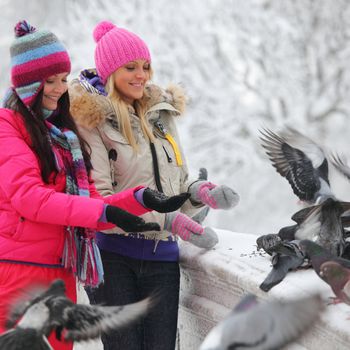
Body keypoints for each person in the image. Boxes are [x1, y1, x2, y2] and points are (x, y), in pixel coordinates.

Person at [0, 20, 191, 350]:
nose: (61, 88)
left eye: (63, 78)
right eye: (50, 81)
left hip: (59, 271)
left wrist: (139, 198)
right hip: (19, 272)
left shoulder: (61, 135)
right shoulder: (8, 128)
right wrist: (106, 211)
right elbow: (30, 198)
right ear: (28, 84)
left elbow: (87, 197)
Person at [70, 20, 240, 350]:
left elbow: (178, 178)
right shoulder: (93, 122)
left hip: (162, 256)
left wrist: (199, 192)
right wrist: (168, 219)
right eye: (130, 67)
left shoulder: (162, 115)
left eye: (146, 66)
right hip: (114, 259)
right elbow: (100, 201)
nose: (141, 75)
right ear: (109, 72)